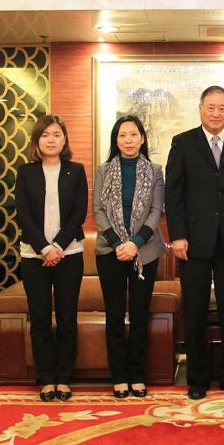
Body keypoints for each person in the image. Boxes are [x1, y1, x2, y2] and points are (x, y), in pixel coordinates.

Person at [165, 85, 224, 400]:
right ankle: (197, 379)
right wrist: (177, 235)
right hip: (193, 242)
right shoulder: (183, 143)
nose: (216, 113)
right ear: (200, 109)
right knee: (194, 312)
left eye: (222, 108)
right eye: (211, 107)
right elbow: (173, 195)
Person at [14, 115, 88, 402]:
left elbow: (79, 213)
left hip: (69, 254)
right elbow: (23, 214)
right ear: (37, 140)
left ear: (64, 139)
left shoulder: (76, 171)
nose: (51, 140)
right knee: (40, 318)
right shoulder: (26, 172)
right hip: (34, 256)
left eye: (57, 134)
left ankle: (64, 378)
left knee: (67, 318)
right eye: (45, 135)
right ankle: (46, 379)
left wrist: (57, 245)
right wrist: (45, 248)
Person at [93, 115, 166, 399]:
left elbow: (157, 211)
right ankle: (119, 376)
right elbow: (98, 209)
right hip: (110, 251)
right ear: (116, 140)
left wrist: (135, 243)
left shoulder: (155, 170)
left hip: (144, 252)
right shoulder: (103, 170)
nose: (128, 140)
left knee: (139, 315)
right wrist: (118, 244)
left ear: (142, 138)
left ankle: (137, 374)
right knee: (114, 315)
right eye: (122, 135)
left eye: (133, 134)